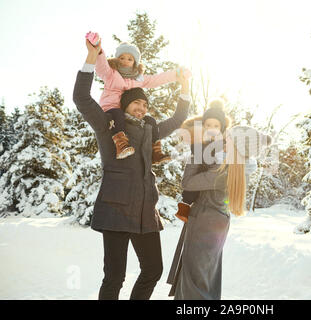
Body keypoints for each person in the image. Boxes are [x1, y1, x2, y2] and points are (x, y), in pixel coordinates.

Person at [73, 38, 191, 300]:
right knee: (115, 277)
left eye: (146, 105)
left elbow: (178, 118)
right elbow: (81, 98)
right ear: (125, 103)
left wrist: (185, 87)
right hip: (115, 210)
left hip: (145, 213)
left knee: (153, 269)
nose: (142, 108)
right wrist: (92, 57)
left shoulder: (150, 130)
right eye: (136, 103)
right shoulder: (107, 125)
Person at [167, 124, 272, 299]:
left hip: (204, 221)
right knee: (206, 277)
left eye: (229, 137)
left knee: (194, 280)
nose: (225, 139)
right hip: (218, 221)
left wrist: (197, 155)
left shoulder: (223, 170)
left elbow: (188, 182)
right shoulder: (239, 167)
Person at [93, 35, 191, 160]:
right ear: (116, 59)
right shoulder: (111, 74)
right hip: (110, 110)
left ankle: (155, 151)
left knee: (150, 120)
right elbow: (101, 67)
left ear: (135, 62)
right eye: (121, 58)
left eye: (130, 59)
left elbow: (156, 79)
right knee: (117, 114)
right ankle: (121, 143)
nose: (125, 61)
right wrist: (98, 50)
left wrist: (177, 74)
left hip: (122, 112)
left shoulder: (138, 79)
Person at [174, 98, 232, 222]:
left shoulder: (224, 141)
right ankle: (185, 204)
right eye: (208, 125)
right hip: (201, 168)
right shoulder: (200, 139)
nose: (212, 128)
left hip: (213, 186)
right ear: (204, 126)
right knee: (190, 191)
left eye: (216, 126)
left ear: (221, 127)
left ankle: (186, 204)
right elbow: (197, 154)